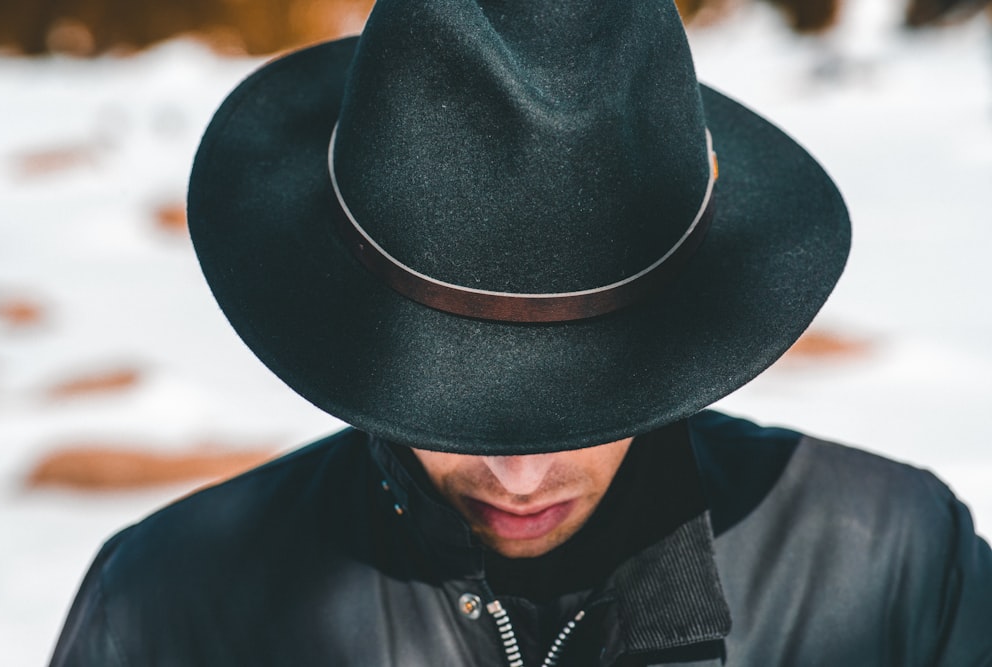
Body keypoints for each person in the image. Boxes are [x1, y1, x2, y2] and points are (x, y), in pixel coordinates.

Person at [50, 0, 992, 665]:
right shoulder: (169, 608)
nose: (519, 475)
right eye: (459, 411)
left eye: (578, 407)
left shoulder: (900, 567)